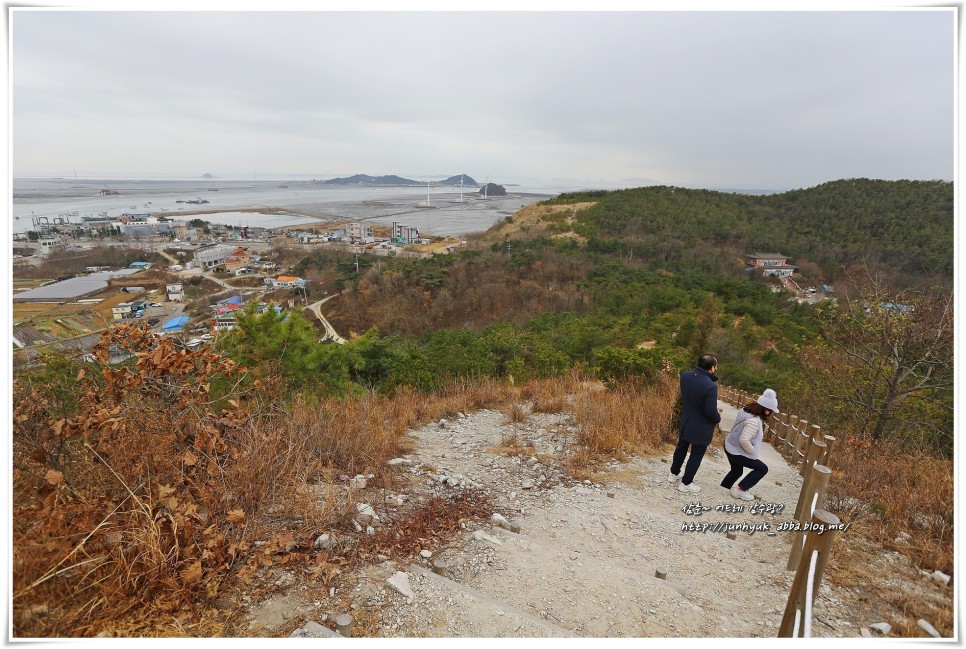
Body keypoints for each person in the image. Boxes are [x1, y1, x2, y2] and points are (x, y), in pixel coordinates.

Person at [668, 354, 721, 494]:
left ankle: (673, 474)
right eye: (715, 366)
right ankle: (686, 483)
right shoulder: (710, 386)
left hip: (686, 419)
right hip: (702, 426)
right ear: (712, 368)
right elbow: (710, 411)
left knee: (681, 447)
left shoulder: (685, 376)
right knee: (696, 454)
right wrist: (717, 418)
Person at [721, 389, 779, 501]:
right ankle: (740, 490)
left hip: (729, 445)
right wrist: (752, 450)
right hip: (736, 451)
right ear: (766, 410)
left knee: (736, 471)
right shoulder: (754, 421)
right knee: (762, 468)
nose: (771, 413)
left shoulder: (746, 410)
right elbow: (744, 440)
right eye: (771, 411)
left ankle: (723, 488)